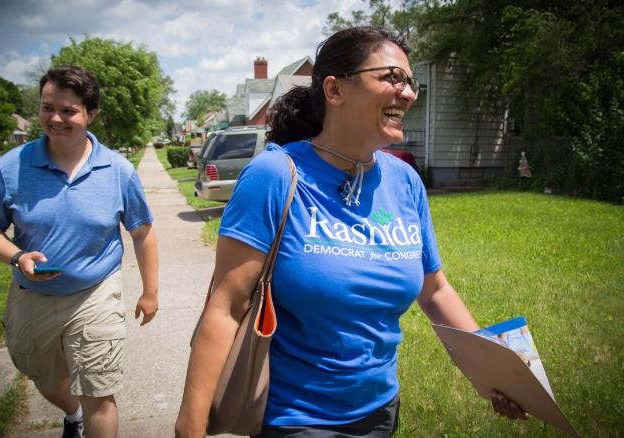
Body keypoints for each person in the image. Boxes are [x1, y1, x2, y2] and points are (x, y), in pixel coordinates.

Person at [174, 26, 526, 438]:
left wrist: (493, 373)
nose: (409, 93)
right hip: (297, 419)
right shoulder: (275, 175)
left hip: (381, 412)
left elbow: (434, 290)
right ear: (335, 90)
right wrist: (190, 428)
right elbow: (226, 307)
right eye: (392, 77)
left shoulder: (404, 181)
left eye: (410, 82)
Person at [0, 65, 158, 438]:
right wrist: (17, 256)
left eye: (68, 111)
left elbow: (142, 232)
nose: (55, 119)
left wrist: (150, 292)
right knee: (44, 377)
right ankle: (70, 414)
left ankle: (84, 414)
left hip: (96, 293)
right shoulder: (12, 166)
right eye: (47, 108)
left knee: (99, 392)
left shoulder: (117, 170)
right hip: (32, 294)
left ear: (90, 115)